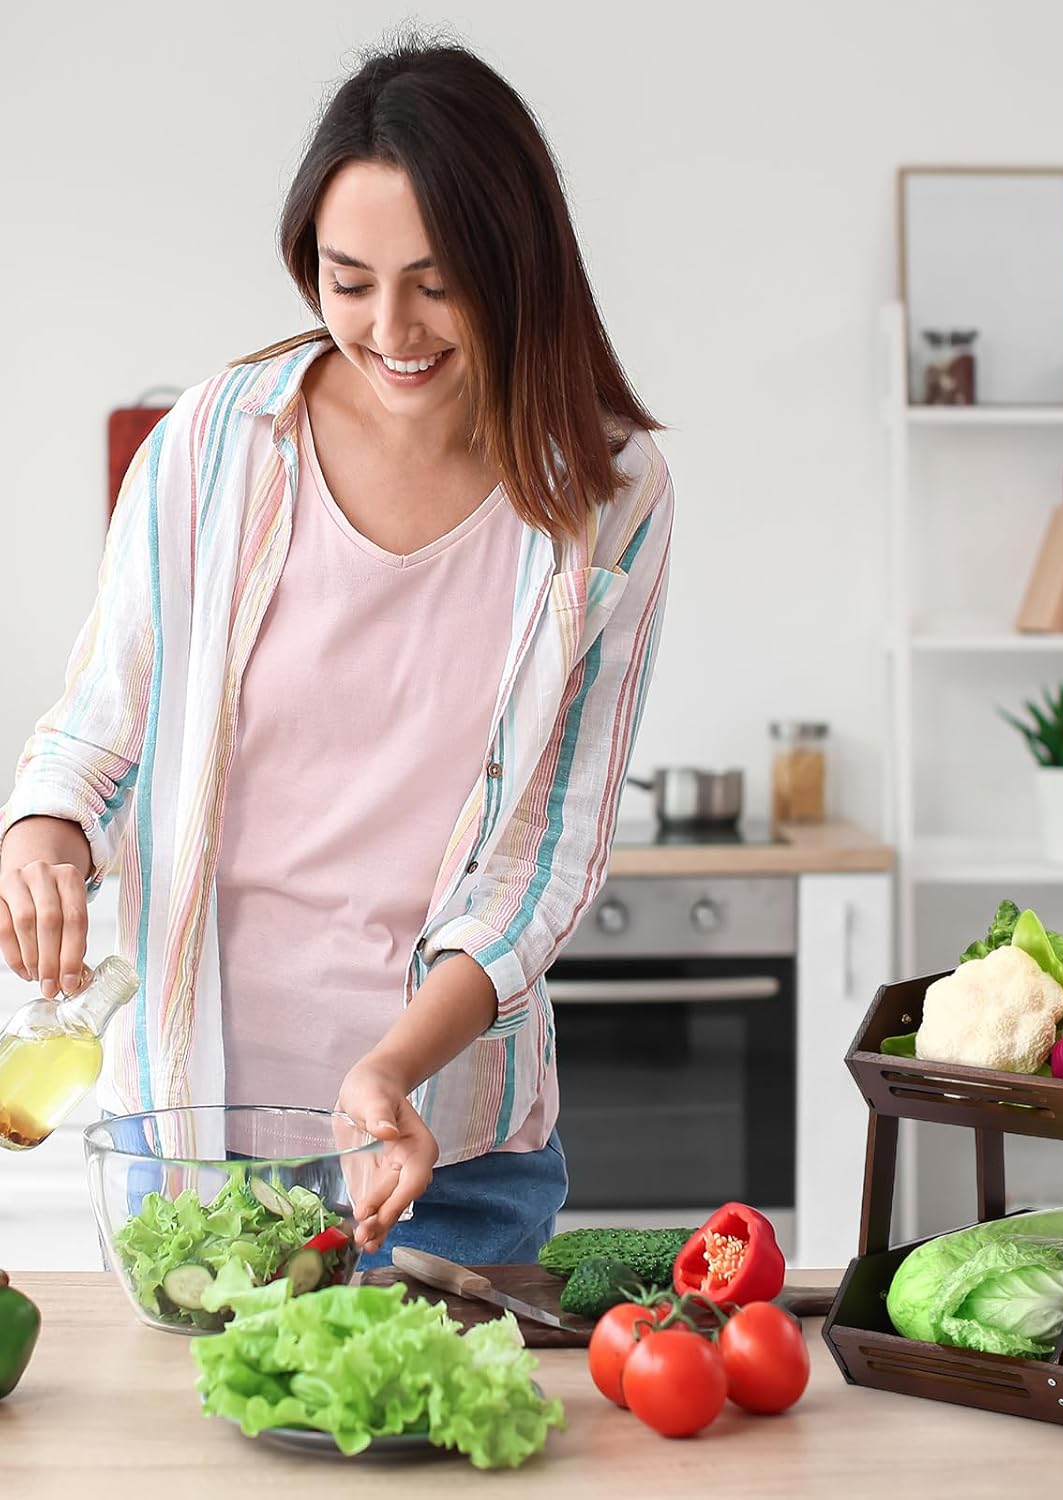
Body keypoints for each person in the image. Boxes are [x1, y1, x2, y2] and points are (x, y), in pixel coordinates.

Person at [0, 35, 672, 1266]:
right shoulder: (211, 444)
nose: (389, 327)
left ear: (518, 264)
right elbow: (100, 729)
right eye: (346, 279)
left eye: (435, 280)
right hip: (195, 1146)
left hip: (444, 1156)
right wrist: (41, 831)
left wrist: (392, 1068)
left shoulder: (612, 496)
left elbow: (540, 866)